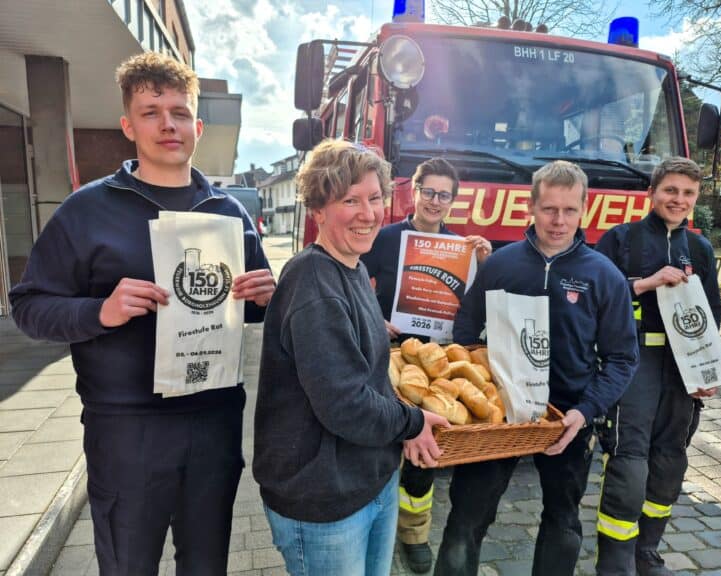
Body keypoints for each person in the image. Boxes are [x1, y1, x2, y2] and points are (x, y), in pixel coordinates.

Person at [9, 52, 276, 575]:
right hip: (126, 428)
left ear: (197, 126)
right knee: (129, 564)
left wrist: (265, 298)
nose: (167, 124)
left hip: (213, 422)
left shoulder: (228, 212)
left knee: (206, 565)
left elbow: (251, 309)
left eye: (178, 112)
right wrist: (99, 311)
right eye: (151, 111)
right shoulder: (87, 210)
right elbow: (28, 307)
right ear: (128, 126)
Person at [251, 139, 448, 576]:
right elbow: (345, 404)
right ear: (319, 209)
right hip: (322, 501)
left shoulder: (354, 267)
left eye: (375, 198)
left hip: (371, 481)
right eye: (350, 200)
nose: (368, 213)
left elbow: (370, 377)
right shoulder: (313, 281)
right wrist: (412, 422)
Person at [434, 160, 639, 576]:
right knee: (466, 518)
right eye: (549, 209)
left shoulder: (605, 275)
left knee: (562, 522)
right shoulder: (501, 264)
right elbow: (467, 323)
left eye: (568, 210)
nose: (558, 221)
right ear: (532, 207)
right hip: (498, 419)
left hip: (567, 418)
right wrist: (473, 382)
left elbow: (622, 358)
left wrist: (586, 411)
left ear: (584, 210)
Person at [361, 157, 492, 573]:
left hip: (430, 365)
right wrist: (372, 319)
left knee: (424, 454)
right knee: (374, 446)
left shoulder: (461, 248)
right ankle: (367, 527)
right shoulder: (384, 239)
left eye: (444, 195)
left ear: (453, 200)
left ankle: (414, 532)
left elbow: (475, 306)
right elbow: (353, 284)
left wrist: (484, 264)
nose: (435, 201)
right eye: (429, 191)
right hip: (386, 356)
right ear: (413, 191)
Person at [594, 157, 721, 576]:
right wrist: (645, 283)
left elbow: (712, 315)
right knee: (630, 462)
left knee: (670, 461)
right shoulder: (622, 239)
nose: (678, 199)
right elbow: (598, 295)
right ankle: (615, 561)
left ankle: (646, 551)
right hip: (635, 362)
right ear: (652, 192)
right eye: (670, 190)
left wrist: (709, 372)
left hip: (683, 368)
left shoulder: (700, 249)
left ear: (696, 198)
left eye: (687, 193)